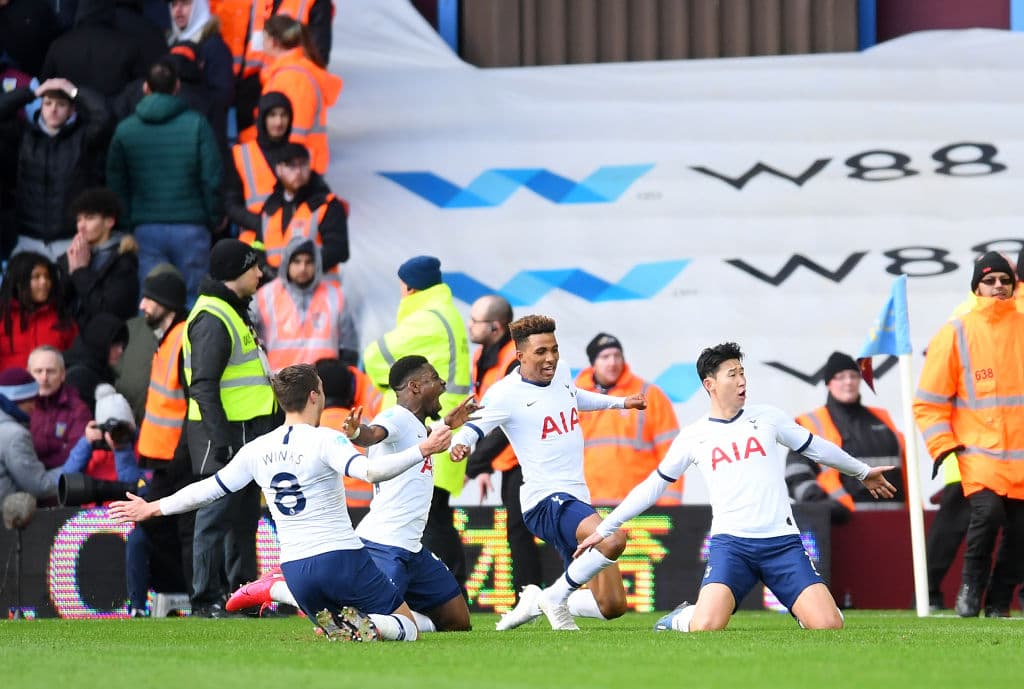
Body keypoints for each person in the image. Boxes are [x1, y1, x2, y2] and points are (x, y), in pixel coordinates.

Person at [112, 363, 455, 642]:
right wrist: (423, 449)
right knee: (406, 627)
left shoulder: (257, 449)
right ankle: (298, 598)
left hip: (297, 569)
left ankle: (280, 590)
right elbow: (371, 472)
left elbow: (209, 489)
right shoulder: (326, 440)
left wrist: (152, 507)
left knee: (339, 629)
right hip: (342, 561)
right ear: (314, 396)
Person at [573, 342, 896, 633]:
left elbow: (817, 447)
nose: (742, 381)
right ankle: (679, 618)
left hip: (781, 543)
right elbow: (652, 487)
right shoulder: (694, 435)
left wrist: (862, 471)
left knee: (828, 625)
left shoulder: (768, 417)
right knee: (706, 625)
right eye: (732, 374)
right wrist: (608, 525)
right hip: (732, 547)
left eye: (743, 373)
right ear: (710, 384)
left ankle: (805, 608)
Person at [228, 356, 477, 633]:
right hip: (385, 545)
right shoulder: (394, 417)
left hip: (412, 547)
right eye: (434, 378)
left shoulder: (415, 426)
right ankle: (281, 591)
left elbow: (413, 436)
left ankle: (319, 607)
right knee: (366, 620)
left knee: (457, 622)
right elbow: (373, 434)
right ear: (415, 387)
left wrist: (448, 423)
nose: (442, 384)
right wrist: (357, 432)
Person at [450, 314, 648, 631]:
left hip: (576, 499)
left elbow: (574, 397)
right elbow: (475, 426)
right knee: (613, 539)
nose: (551, 358)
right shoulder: (505, 393)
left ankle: (541, 599)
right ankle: (555, 597)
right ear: (520, 356)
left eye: (553, 349)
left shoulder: (563, 372)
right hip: (544, 501)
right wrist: (461, 444)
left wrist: (621, 402)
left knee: (612, 606)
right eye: (541, 352)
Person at [914, 251, 1024, 618]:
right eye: (989, 281)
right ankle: (970, 588)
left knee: (1021, 532)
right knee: (987, 515)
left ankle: (998, 600)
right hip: (978, 455)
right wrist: (944, 446)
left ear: (1013, 285)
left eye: (1004, 281)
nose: (997, 287)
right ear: (976, 286)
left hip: (1021, 457)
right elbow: (928, 403)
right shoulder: (956, 333)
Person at [363, 256, 472, 592]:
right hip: (438, 425)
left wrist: (389, 383)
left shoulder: (429, 319)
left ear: (409, 286)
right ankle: (449, 588)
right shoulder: (445, 313)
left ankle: (447, 588)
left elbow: (374, 358)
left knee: (431, 517)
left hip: (430, 425)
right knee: (435, 513)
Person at [183, 238, 278, 617]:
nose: (260, 273)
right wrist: (221, 441)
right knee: (213, 518)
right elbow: (202, 385)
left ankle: (243, 599)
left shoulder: (230, 309)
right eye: (253, 266)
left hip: (246, 431)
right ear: (234, 273)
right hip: (223, 435)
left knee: (241, 520)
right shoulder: (213, 317)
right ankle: (205, 600)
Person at [106, 58, 223, 306]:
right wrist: (213, 218)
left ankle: (157, 347)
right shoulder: (197, 124)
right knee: (195, 301)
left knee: (152, 301)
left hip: (146, 228)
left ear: (145, 88)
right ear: (177, 86)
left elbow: (116, 184)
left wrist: (127, 224)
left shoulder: (126, 129)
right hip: (192, 227)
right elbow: (212, 178)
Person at [462, 294, 545, 602]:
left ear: (495, 327)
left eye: (475, 321)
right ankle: (529, 597)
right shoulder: (481, 358)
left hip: (527, 457)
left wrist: (474, 464)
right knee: (518, 528)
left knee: (522, 528)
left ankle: (530, 597)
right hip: (508, 459)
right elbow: (485, 411)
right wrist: (483, 465)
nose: (470, 326)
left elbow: (506, 417)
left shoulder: (516, 360)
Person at [786, 351, 905, 523]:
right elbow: (795, 472)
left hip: (894, 522)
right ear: (828, 383)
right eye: (840, 377)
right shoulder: (810, 422)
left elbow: (904, 468)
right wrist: (818, 503)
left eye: (853, 376)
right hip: (841, 523)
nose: (848, 381)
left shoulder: (883, 419)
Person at [0, 77, 110, 261]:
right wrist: (31, 93)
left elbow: (105, 117)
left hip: (69, 239)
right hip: (28, 237)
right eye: (47, 103)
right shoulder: (25, 136)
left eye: (61, 104)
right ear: (40, 106)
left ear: (71, 109)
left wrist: (73, 91)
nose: (53, 109)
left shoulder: (82, 138)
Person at [576, 332, 681, 505]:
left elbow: (673, 455)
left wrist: (670, 508)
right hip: (588, 509)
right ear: (593, 363)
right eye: (605, 356)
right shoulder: (574, 397)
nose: (613, 362)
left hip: (639, 509)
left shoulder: (650, 395)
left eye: (617, 355)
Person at [240, 142, 349, 276]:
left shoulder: (326, 204)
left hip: (318, 290)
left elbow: (339, 249)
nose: (298, 171)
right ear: (279, 169)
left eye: (303, 164)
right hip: (277, 290)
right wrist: (266, 270)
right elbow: (258, 246)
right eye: (291, 165)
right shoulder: (270, 207)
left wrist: (299, 271)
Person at [254, 15, 340, 175]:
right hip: (299, 164)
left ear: (273, 41)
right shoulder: (290, 73)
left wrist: (287, 165)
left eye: (263, 38)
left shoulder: (293, 77)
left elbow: (297, 130)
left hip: (299, 166)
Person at [252, 237, 355, 370]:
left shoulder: (335, 296)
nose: (303, 268)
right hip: (279, 384)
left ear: (316, 264)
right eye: (297, 262)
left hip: (322, 385)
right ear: (287, 263)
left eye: (309, 262)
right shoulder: (265, 296)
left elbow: (349, 347)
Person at [58, 188, 141, 327]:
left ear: (109, 221)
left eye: (90, 218)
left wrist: (80, 272)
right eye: (79, 219)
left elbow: (108, 312)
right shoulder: (71, 256)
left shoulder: (123, 262)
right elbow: (60, 307)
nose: (81, 226)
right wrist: (69, 271)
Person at [225, 91, 293, 236]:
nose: (279, 122)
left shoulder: (299, 155)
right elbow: (231, 205)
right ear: (263, 118)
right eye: (273, 115)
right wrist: (261, 224)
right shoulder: (241, 154)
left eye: (283, 115)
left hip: (292, 241)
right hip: (254, 240)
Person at [0, 252, 76, 372]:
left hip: (51, 388)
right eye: (36, 277)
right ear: (18, 283)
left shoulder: (61, 318)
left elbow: (74, 360)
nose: (44, 282)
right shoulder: (3, 317)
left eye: (47, 276)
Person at [0, 367, 62, 505]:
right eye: (31, 400)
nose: (34, 407)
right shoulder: (14, 435)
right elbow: (40, 486)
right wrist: (73, 469)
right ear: (16, 400)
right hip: (8, 521)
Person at [28, 346, 91, 470]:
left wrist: (36, 467)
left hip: (58, 476)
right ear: (29, 373)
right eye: (38, 371)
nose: (44, 378)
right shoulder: (17, 405)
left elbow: (75, 453)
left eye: (51, 371)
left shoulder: (78, 410)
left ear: (63, 374)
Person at [63, 312, 129, 412]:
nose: (120, 351)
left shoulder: (98, 369)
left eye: (122, 345)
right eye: (114, 345)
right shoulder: (80, 378)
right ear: (100, 342)